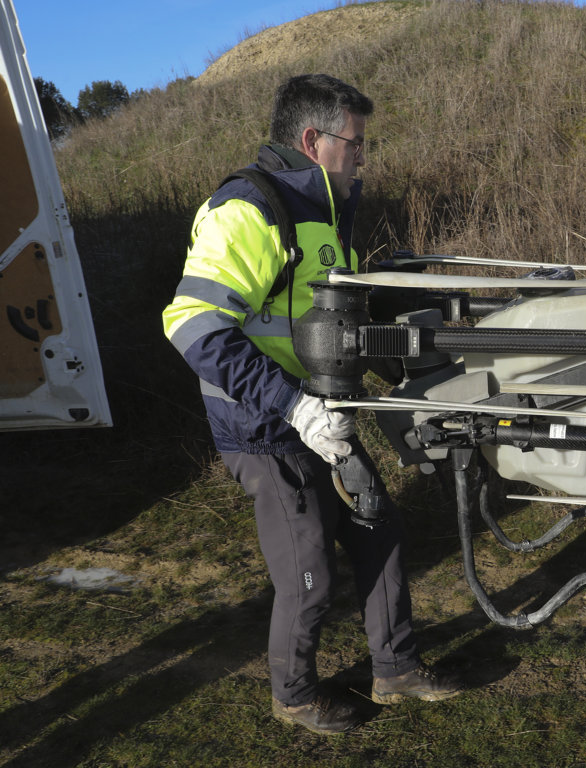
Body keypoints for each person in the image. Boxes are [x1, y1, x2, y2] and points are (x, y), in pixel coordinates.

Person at [162, 74, 462, 736]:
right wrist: (293, 407)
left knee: (379, 527)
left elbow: (329, 321)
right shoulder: (248, 210)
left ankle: (395, 670)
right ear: (311, 140)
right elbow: (192, 325)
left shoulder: (324, 215)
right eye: (355, 144)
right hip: (264, 427)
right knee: (309, 573)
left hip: (323, 419)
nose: (363, 158)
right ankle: (294, 696)